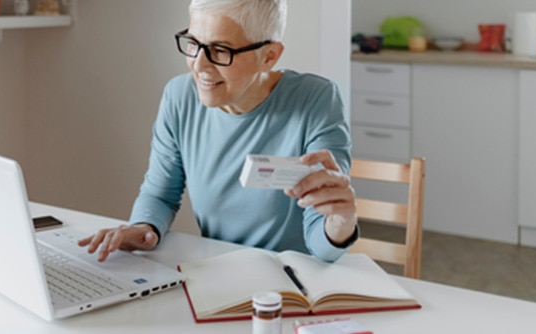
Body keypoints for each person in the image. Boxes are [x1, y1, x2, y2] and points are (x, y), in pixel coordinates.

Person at [79, 0, 357, 263]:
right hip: (217, 276)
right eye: (194, 43)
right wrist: (143, 227)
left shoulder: (316, 100)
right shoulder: (179, 97)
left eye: (220, 50)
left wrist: (340, 224)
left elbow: (321, 246)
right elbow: (160, 194)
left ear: (269, 56)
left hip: (293, 284)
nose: (199, 65)